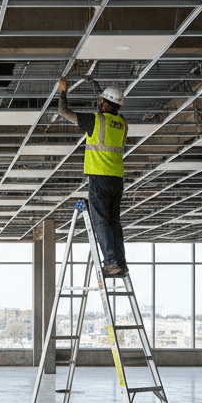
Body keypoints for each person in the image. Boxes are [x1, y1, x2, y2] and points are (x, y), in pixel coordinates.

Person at [57, 78, 128, 277]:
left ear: (104, 102)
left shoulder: (97, 120)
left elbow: (63, 111)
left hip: (100, 177)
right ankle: (120, 262)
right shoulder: (122, 124)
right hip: (116, 179)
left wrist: (63, 91)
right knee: (113, 221)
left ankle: (112, 262)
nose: (98, 103)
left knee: (101, 221)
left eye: (101, 101)